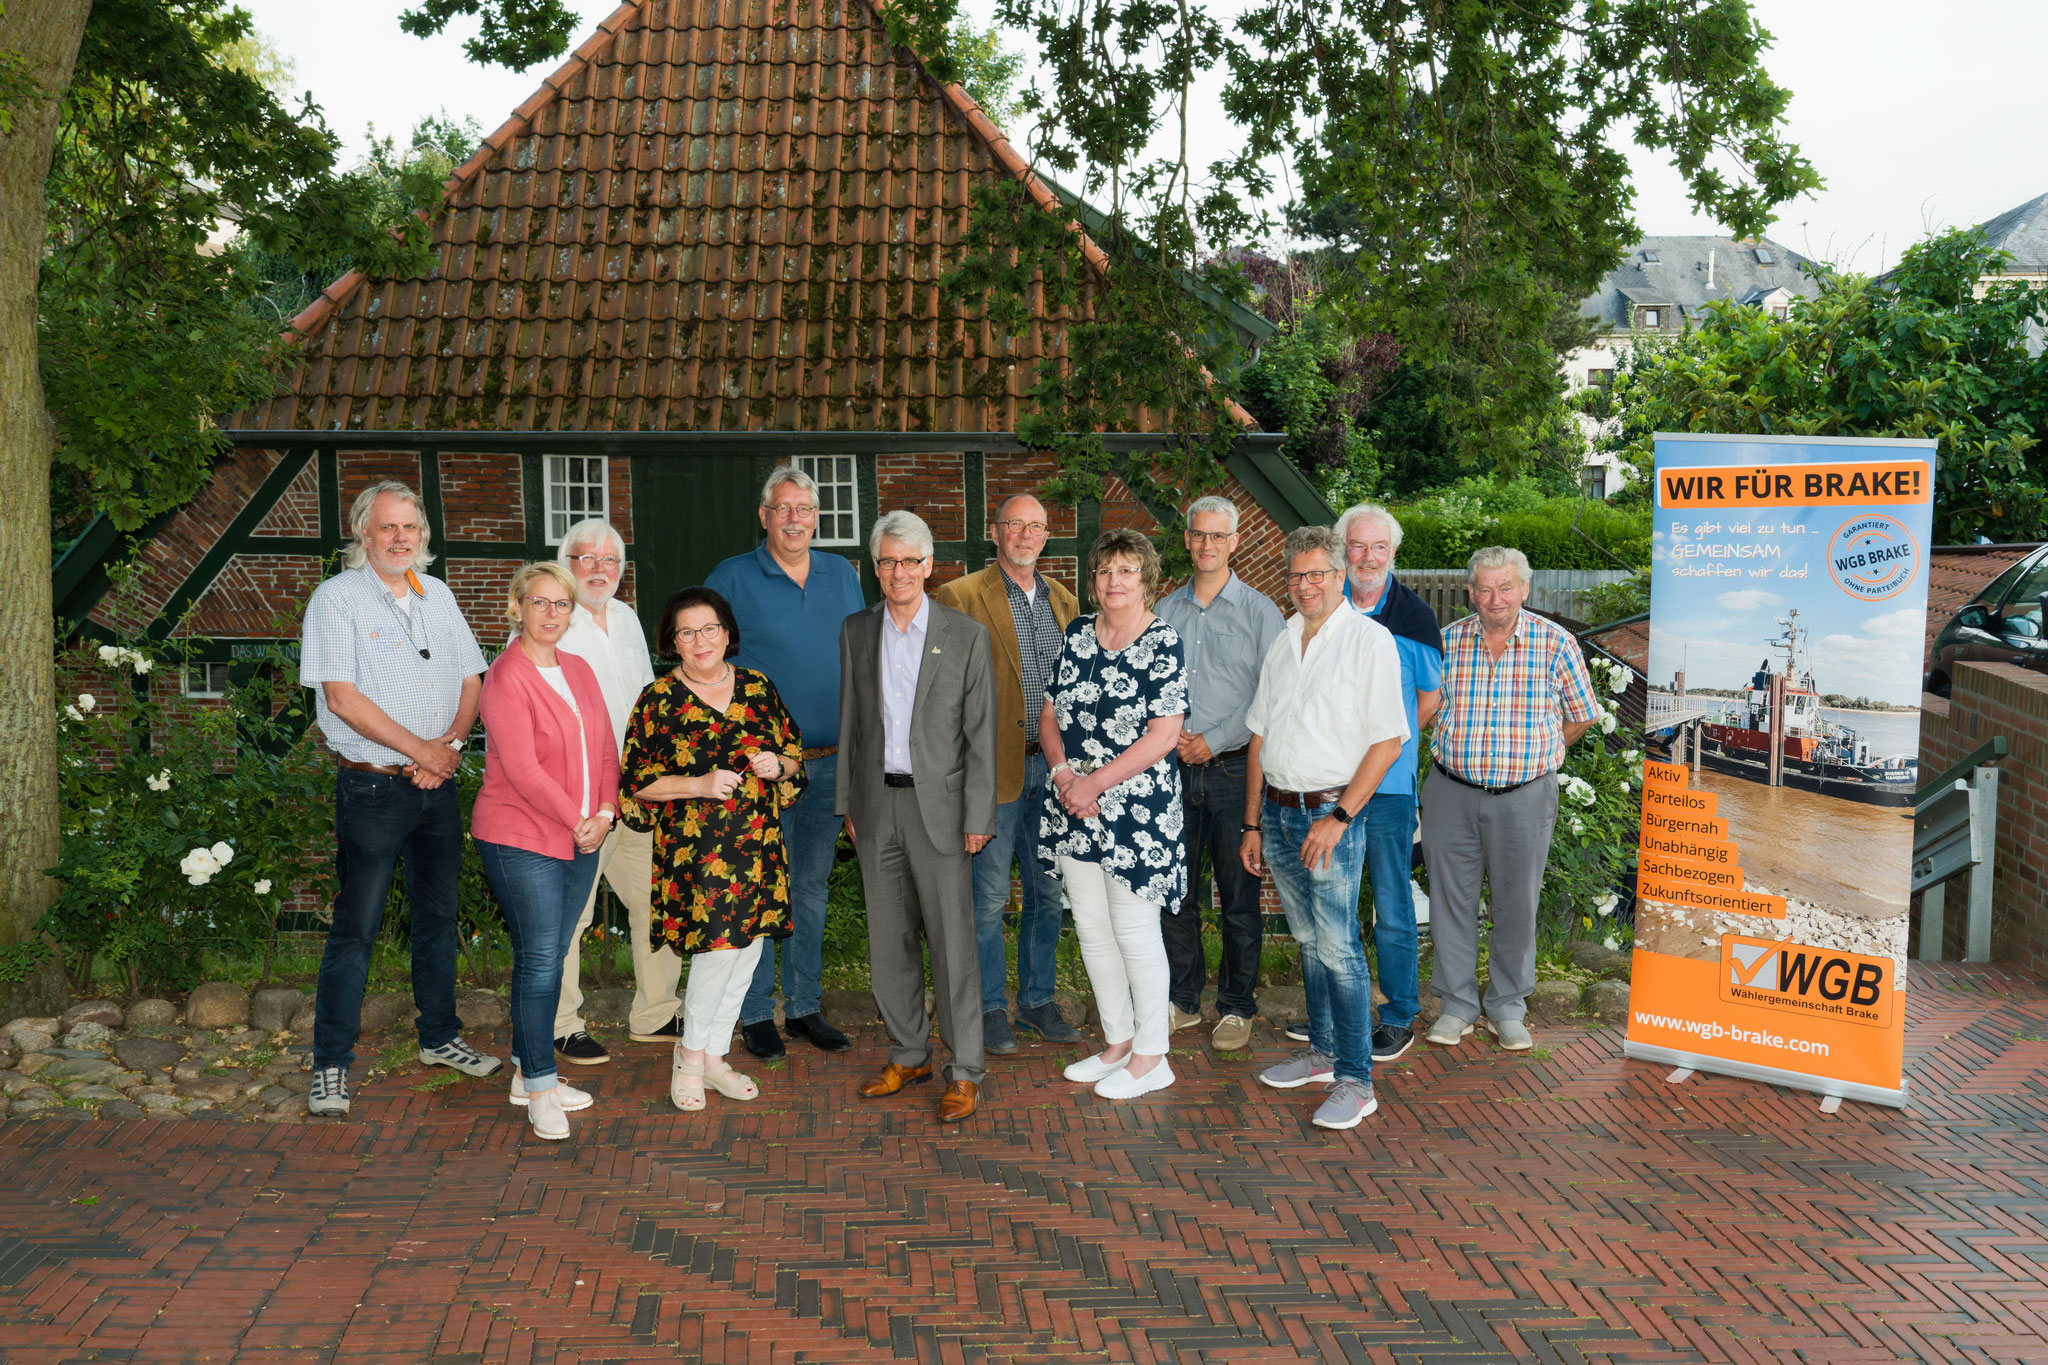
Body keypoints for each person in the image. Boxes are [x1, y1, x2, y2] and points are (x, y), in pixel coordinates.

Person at [299, 480, 499, 1118]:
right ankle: (330, 1065)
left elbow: (472, 676)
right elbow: (341, 698)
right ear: (363, 533)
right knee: (356, 931)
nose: (400, 538)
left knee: (439, 920)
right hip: (373, 786)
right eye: (387, 527)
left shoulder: (435, 594)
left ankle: (439, 1037)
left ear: (423, 536)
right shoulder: (336, 599)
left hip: (436, 784)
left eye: (410, 528)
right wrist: (424, 751)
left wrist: (451, 747)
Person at [1240, 526, 1409, 1130]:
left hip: (1328, 815)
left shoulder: (1371, 642)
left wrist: (1340, 819)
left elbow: (1387, 743)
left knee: (1339, 947)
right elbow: (1259, 734)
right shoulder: (1284, 640)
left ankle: (1357, 1080)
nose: (1305, 585)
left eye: (1317, 574)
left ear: (1340, 576)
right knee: (1310, 941)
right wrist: (1252, 821)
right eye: (1296, 576)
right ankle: (1322, 1052)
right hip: (1280, 815)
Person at [618, 587, 809, 1110]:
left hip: (757, 845)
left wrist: (779, 765)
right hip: (696, 853)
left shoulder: (756, 687)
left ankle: (715, 1057)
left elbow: (793, 754)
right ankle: (690, 1055)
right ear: (671, 641)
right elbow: (636, 783)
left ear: (727, 633)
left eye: (710, 629)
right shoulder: (658, 699)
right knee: (716, 954)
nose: (700, 640)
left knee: (747, 953)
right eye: (687, 631)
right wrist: (698, 784)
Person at [838, 511, 996, 1122]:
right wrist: (848, 802)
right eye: (886, 562)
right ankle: (909, 1052)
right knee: (889, 941)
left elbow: (981, 735)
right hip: (879, 805)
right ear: (875, 568)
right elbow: (852, 721)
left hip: (944, 811)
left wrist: (978, 812)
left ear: (930, 567)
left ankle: (965, 1069)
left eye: (909, 561)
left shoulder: (965, 635)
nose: (897, 572)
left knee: (954, 943)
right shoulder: (856, 630)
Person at [705, 466, 867, 1060]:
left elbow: (860, 663)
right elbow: (705, 666)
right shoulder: (732, 577)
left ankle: (802, 1007)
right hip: (761, 768)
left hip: (828, 762)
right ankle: (753, 1014)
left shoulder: (841, 574)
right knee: (756, 889)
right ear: (764, 516)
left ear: (816, 516)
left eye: (803, 508)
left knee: (810, 889)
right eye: (782, 508)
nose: (793, 518)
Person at [1423, 546, 1600, 1052]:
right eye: (1484, 587)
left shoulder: (1556, 644)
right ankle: (1456, 1005)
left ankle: (1507, 1006)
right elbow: (1427, 709)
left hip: (1525, 797)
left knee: (1517, 903)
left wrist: (1540, 754)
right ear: (1470, 592)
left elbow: (1582, 714)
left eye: (1505, 587)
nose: (1494, 597)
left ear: (1525, 589)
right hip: (1451, 792)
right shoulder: (1446, 642)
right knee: (1450, 902)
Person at [472, 562, 622, 1140]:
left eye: (562, 604)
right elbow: (524, 770)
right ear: (517, 607)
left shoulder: (580, 669)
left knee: (551, 956)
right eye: (541, 603)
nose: (552, 613)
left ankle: (522, 1070)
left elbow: (607, 749)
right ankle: (538, 1084)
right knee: (539, 959)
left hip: (583, 834)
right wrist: (580, 820)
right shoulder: (506, 676)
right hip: (521, 836)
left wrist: (605, 814)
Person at [1039, 528, 1189, 1100]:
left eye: (1126, 571)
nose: (1114, 581)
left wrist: (1093, 783)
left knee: (1134, 930)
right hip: (1075, 803)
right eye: (1105, 571)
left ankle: (1155, 1056)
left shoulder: (1163, 641)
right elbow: (1049, 714)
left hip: (1137, 812)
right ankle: (1119, 1042)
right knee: (1094, 931)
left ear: (1146, 580)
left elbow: (1165, 734)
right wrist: (1062, 776)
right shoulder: (1076, 634)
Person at [933, 492, 1083, 1053]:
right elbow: (942, 695)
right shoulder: (960, 596)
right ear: (993, 533)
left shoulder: (1067, 603)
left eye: (1035, 526)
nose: (1024, 534)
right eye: (1013, 524)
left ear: (1047, 536)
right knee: (989, 897)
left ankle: (1038, 1001)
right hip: (991, 772)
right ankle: (989, 1006)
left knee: (1048, 893)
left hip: (1056, 770)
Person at [1308, 501, 1444, 1063]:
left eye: (1378, 547)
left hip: (1386, 790)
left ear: (1393, 553)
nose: (1367, 557)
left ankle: (1397, 1015)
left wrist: (1386, 745)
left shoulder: (1414, 618)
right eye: (1358, 547)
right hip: (1324, 788)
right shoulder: (1324, 610)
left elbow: (1429, 701)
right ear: (1344, 552)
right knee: (1326, 907)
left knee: (1390, 905)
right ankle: (1330, 1017)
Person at [1154, 495, 1285, 1054]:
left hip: (1235, 774)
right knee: (1175, 895)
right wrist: (1176, 738)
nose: (1207, 544)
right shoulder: (1161, 611)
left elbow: (1272, 695)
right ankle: (1183, 1001)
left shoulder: (1261, 613)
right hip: (1173, 772)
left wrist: (1215, 739)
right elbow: (1149, 685)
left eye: (1217, 536)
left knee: (1238, 897)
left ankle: (1236, 1006)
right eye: (1198, 534)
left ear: (1234, 542)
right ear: (1187, 540)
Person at [543, 518, 674, 1067]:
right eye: (585, 558)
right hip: (577, 798)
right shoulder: (549, 621)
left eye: (609, 561)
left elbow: (645, 700)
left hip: (638, 793)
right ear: (563, 561)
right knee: (571, 914)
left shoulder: (624, 618)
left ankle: (657, 1013)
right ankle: (562, 1025)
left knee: (656, 902)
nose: (598, 569)